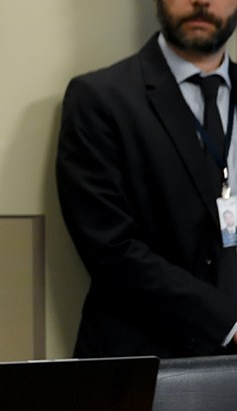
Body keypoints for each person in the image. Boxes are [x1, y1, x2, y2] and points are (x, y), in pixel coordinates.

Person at [56, 0, 237, 358]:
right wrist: (229, 325)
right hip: (140, 367)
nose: (201, 1)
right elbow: (109, 247)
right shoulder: (99, 98)